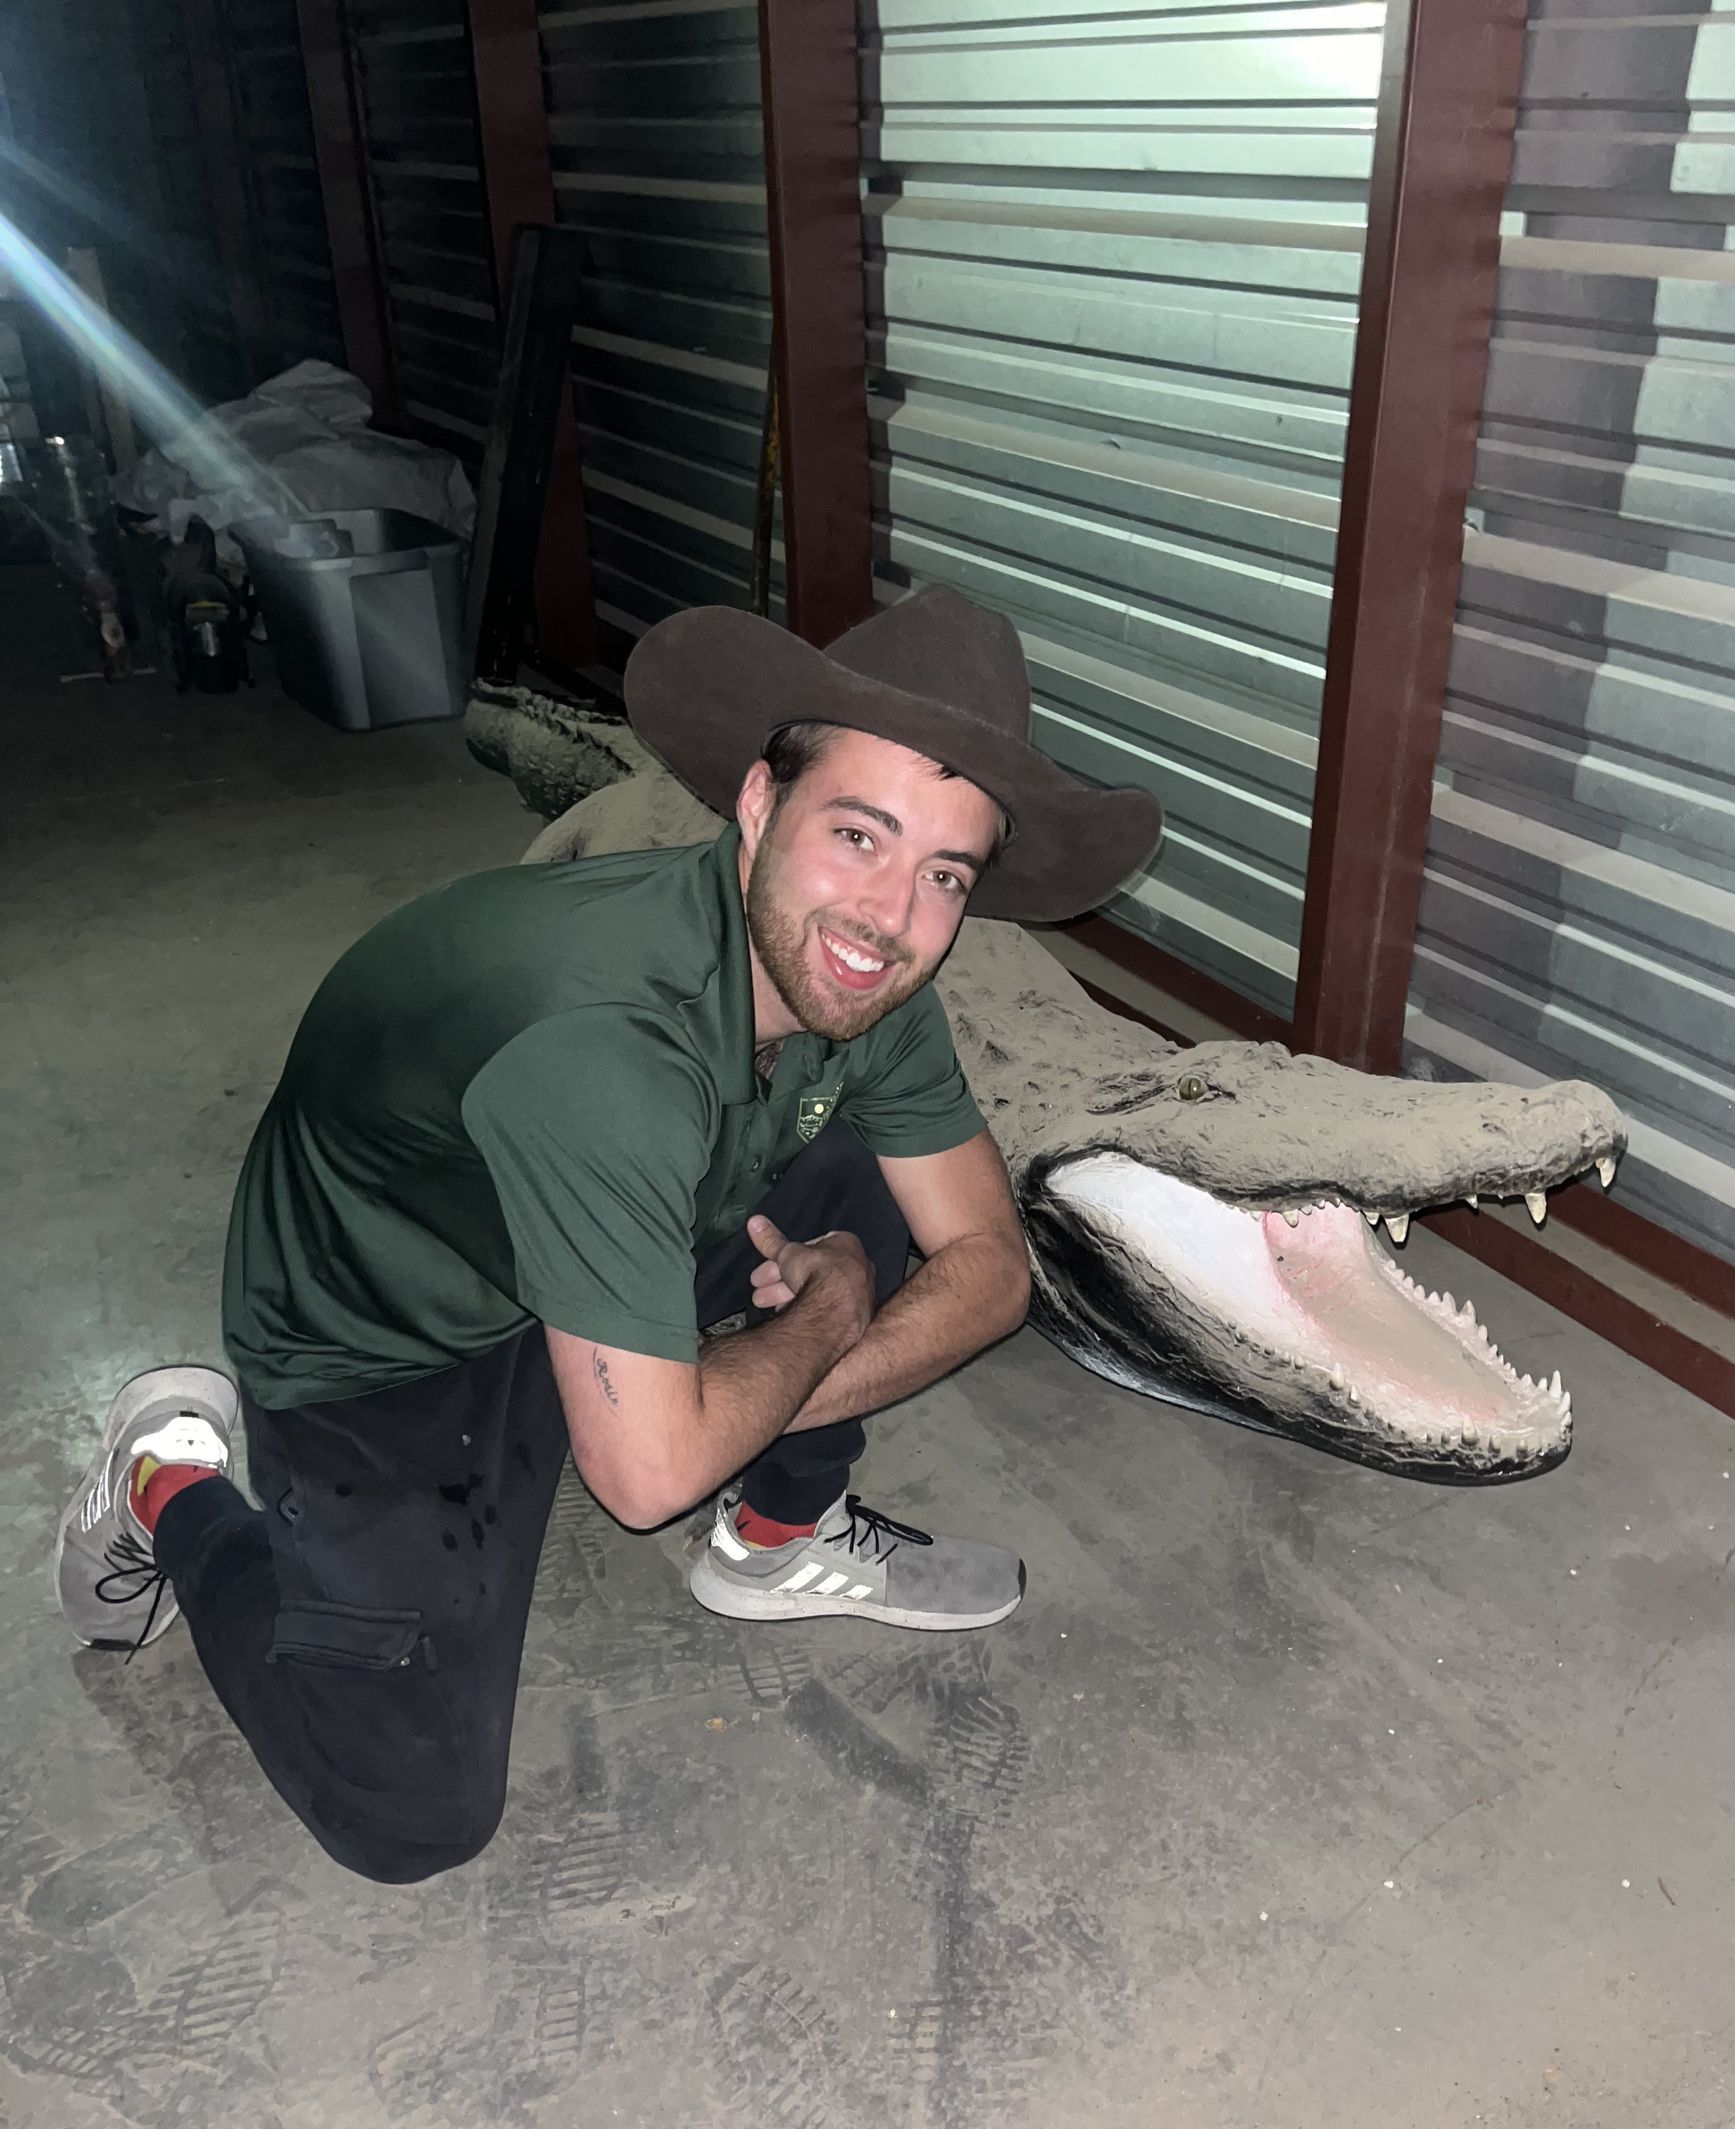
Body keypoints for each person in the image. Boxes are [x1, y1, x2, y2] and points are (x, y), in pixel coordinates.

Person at [53, 583, 1161, 1885]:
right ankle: (167, 1481)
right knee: (406, 1811)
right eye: (859, 834)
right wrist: (824, 1311)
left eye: (943, 875)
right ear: (760, 804)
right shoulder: (604, 1051)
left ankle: (774, 1540)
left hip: (591, 1231)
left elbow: (990, 1266)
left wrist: (734, 1403)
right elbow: (643, 1483)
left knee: (861, 1166)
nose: (889, 915)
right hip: (382, 1331)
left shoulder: (865, 978)